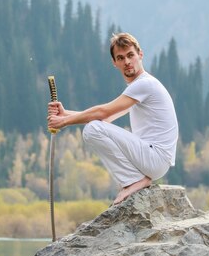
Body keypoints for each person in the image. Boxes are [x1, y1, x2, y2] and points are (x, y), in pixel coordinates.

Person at [47, 32, 178, 205]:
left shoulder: (144, 84)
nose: (127, 62)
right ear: (114, 63)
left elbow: (103, 113)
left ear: (140, 54)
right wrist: (66, 114)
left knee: (92, 130)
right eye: (121, 58)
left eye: (131, 55)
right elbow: (107, 118)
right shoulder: (139, 87)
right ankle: (136, 179)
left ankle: (133, 181)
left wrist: (63, 122)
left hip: (155, 157)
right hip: (153, 159)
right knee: (96, 126)